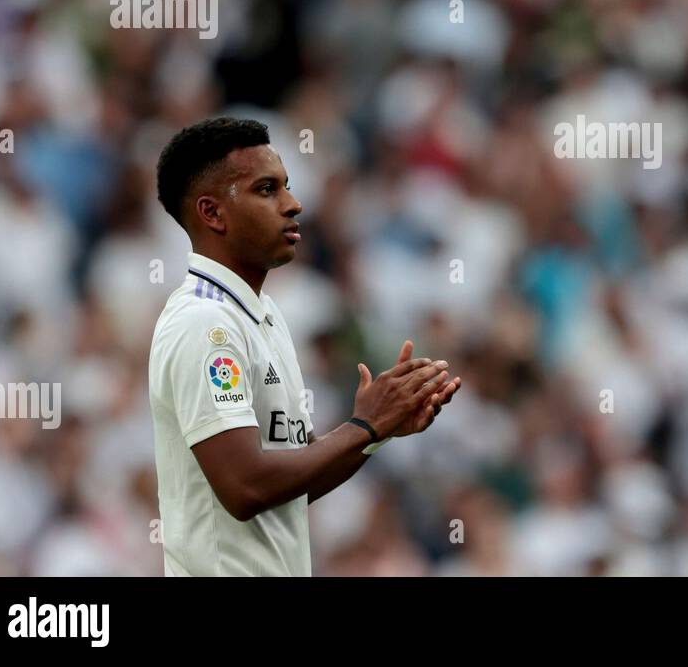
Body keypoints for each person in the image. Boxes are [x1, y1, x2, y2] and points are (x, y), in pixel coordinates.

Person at [148, 117, 460, 576]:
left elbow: (292, 485)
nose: (293, 204)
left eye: (286, 187)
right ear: (212, 213)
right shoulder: (204, 324)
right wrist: (365, 426)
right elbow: (245, 488)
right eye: (266, 189)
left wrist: (379, 431)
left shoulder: (263, 315)